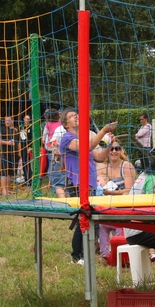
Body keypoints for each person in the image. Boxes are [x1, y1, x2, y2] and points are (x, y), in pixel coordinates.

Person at [59, 108, 116, 263]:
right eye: (72, 116)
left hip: (89, 185)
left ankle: (82, 254)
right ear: (66, 124)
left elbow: (99, 157)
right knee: (83, 219)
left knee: (88, 219)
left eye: (77, 115)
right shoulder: (67, 138)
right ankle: (78, 256)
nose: (76, 116)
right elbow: (87, 147)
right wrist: (104, 130)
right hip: (76, 184)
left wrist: (110, 145)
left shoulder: (83, 138)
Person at [43, 109, 67, 197]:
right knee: (63, 171)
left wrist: (48, 146)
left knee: (52, 170)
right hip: (63, 150)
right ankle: (62, 189)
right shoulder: (62, 125)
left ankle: (57, 189)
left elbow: (43, 138)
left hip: (53, 150)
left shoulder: (48, 124)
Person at [0, 116, 18, 195]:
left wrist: (18, 153)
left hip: (12, 153)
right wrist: (6, 143)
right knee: (4, 172)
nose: (7, 122)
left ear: (12, 121)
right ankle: (3, 190)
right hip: (3, 154)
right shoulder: (1, 129)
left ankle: (8, 189)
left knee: (10, 172)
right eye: (6, 120)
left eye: (9, 120)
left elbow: (17, 142)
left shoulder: (15, 130)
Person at [19, 113, 33, 185]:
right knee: (24, 163)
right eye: (25, 118)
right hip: (22, 147)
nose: (27, 120)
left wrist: (30, 148)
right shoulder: (20, 127)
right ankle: (26, 179)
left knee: (28, 163)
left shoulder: (31, 127)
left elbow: (32, 138)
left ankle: (30, 180)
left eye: (28, 119)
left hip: (29, 147)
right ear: (23, 119)